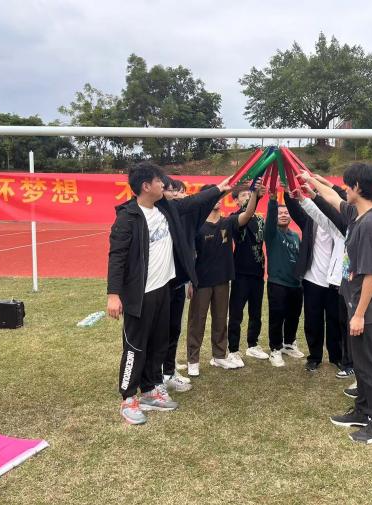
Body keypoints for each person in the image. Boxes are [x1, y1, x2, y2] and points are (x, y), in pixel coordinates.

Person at [107, 163, 231, 425]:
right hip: (140, 295)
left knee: (159, 343)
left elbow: (192, 203)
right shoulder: (128, 218)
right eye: (159, 181)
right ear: (146, 186)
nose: (164, 185)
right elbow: (116, 258)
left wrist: (219, 190)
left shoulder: (165, 209)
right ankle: (128, 398)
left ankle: (150, 390)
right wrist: (113, 295)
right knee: (135, 347)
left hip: (163, 289)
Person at [304, 163, 372, 444]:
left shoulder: (370, 225)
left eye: (347, 185)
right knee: (362, 363)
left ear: (357, 187)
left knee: (368, 365)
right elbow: (332, 197)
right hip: (355, 301)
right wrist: (312, 180)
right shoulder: (358, 213)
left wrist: (359, 314)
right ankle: (362, 411)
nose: (343, 189)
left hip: (367, 308)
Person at [186, 183, 264, 375]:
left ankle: (219, 356)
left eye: (219, 196)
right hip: (201, 282)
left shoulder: (228, 222)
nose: (217, 200)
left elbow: (247, 214)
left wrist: (254, 194)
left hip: (222, 280)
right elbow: (189, 256)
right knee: (197, 321)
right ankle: (193, 360)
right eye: (212, 196)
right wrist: (189, 281)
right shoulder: (196, 226)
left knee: (221, 319)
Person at [285, 187, 342, 373]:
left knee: (335, 319)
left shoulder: (341, 224)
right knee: (313, 320)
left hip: (335, 282)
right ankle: (314, 356)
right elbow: (295, 209)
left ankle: (336, 356)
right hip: (313, 279)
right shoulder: (310, 220)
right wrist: (287, 191)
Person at [227, 186, 269, 361]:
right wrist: (255, 196)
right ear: (236, 201)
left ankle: (253, 345)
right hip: (240, 272)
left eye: (248, 194)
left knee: (256, 312)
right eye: (243, 195)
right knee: (236, 313)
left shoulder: (259, 219)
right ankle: (233, 349)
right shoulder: (234, 218)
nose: (247, 197)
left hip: (258, 272)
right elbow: (247, 211)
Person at [161, 177, 194, 392]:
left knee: (174, 328)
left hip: (178, 281)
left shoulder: (183, 217)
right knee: (160, 331)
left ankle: (169, 371)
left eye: (177, 191)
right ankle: (157, 374)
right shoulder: (155, 217)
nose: (175, 194)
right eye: (170, 190)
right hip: (160, 284)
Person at [264, 191, 304, 367]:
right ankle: (275, 349)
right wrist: (273, 201)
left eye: (286, 213)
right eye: (280, 213)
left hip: (295, 284)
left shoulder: (295, 236)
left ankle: (289, 343)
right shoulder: (271, 233)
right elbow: (270, 219)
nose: (283, 215)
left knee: (294, 316)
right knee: (277, 316)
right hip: (277, 283)